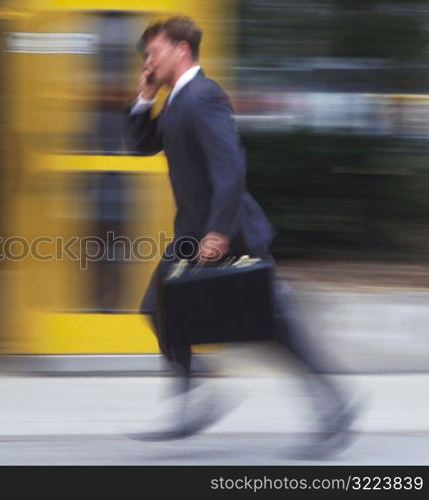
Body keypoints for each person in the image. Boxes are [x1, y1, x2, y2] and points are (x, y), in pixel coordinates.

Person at [126, 16, 358, 457]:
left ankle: (336, 409)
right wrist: (144, 97)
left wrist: (218, 231)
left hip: (229, 232)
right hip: (195, 232)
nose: (147, 61)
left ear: (181, 50)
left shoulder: (204, 97)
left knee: (275, 329)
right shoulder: (176, 101)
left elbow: (230, 168)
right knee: (158, 308)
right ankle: (198, 397)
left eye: (153, 52)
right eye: (144, 56)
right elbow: (140, 145)